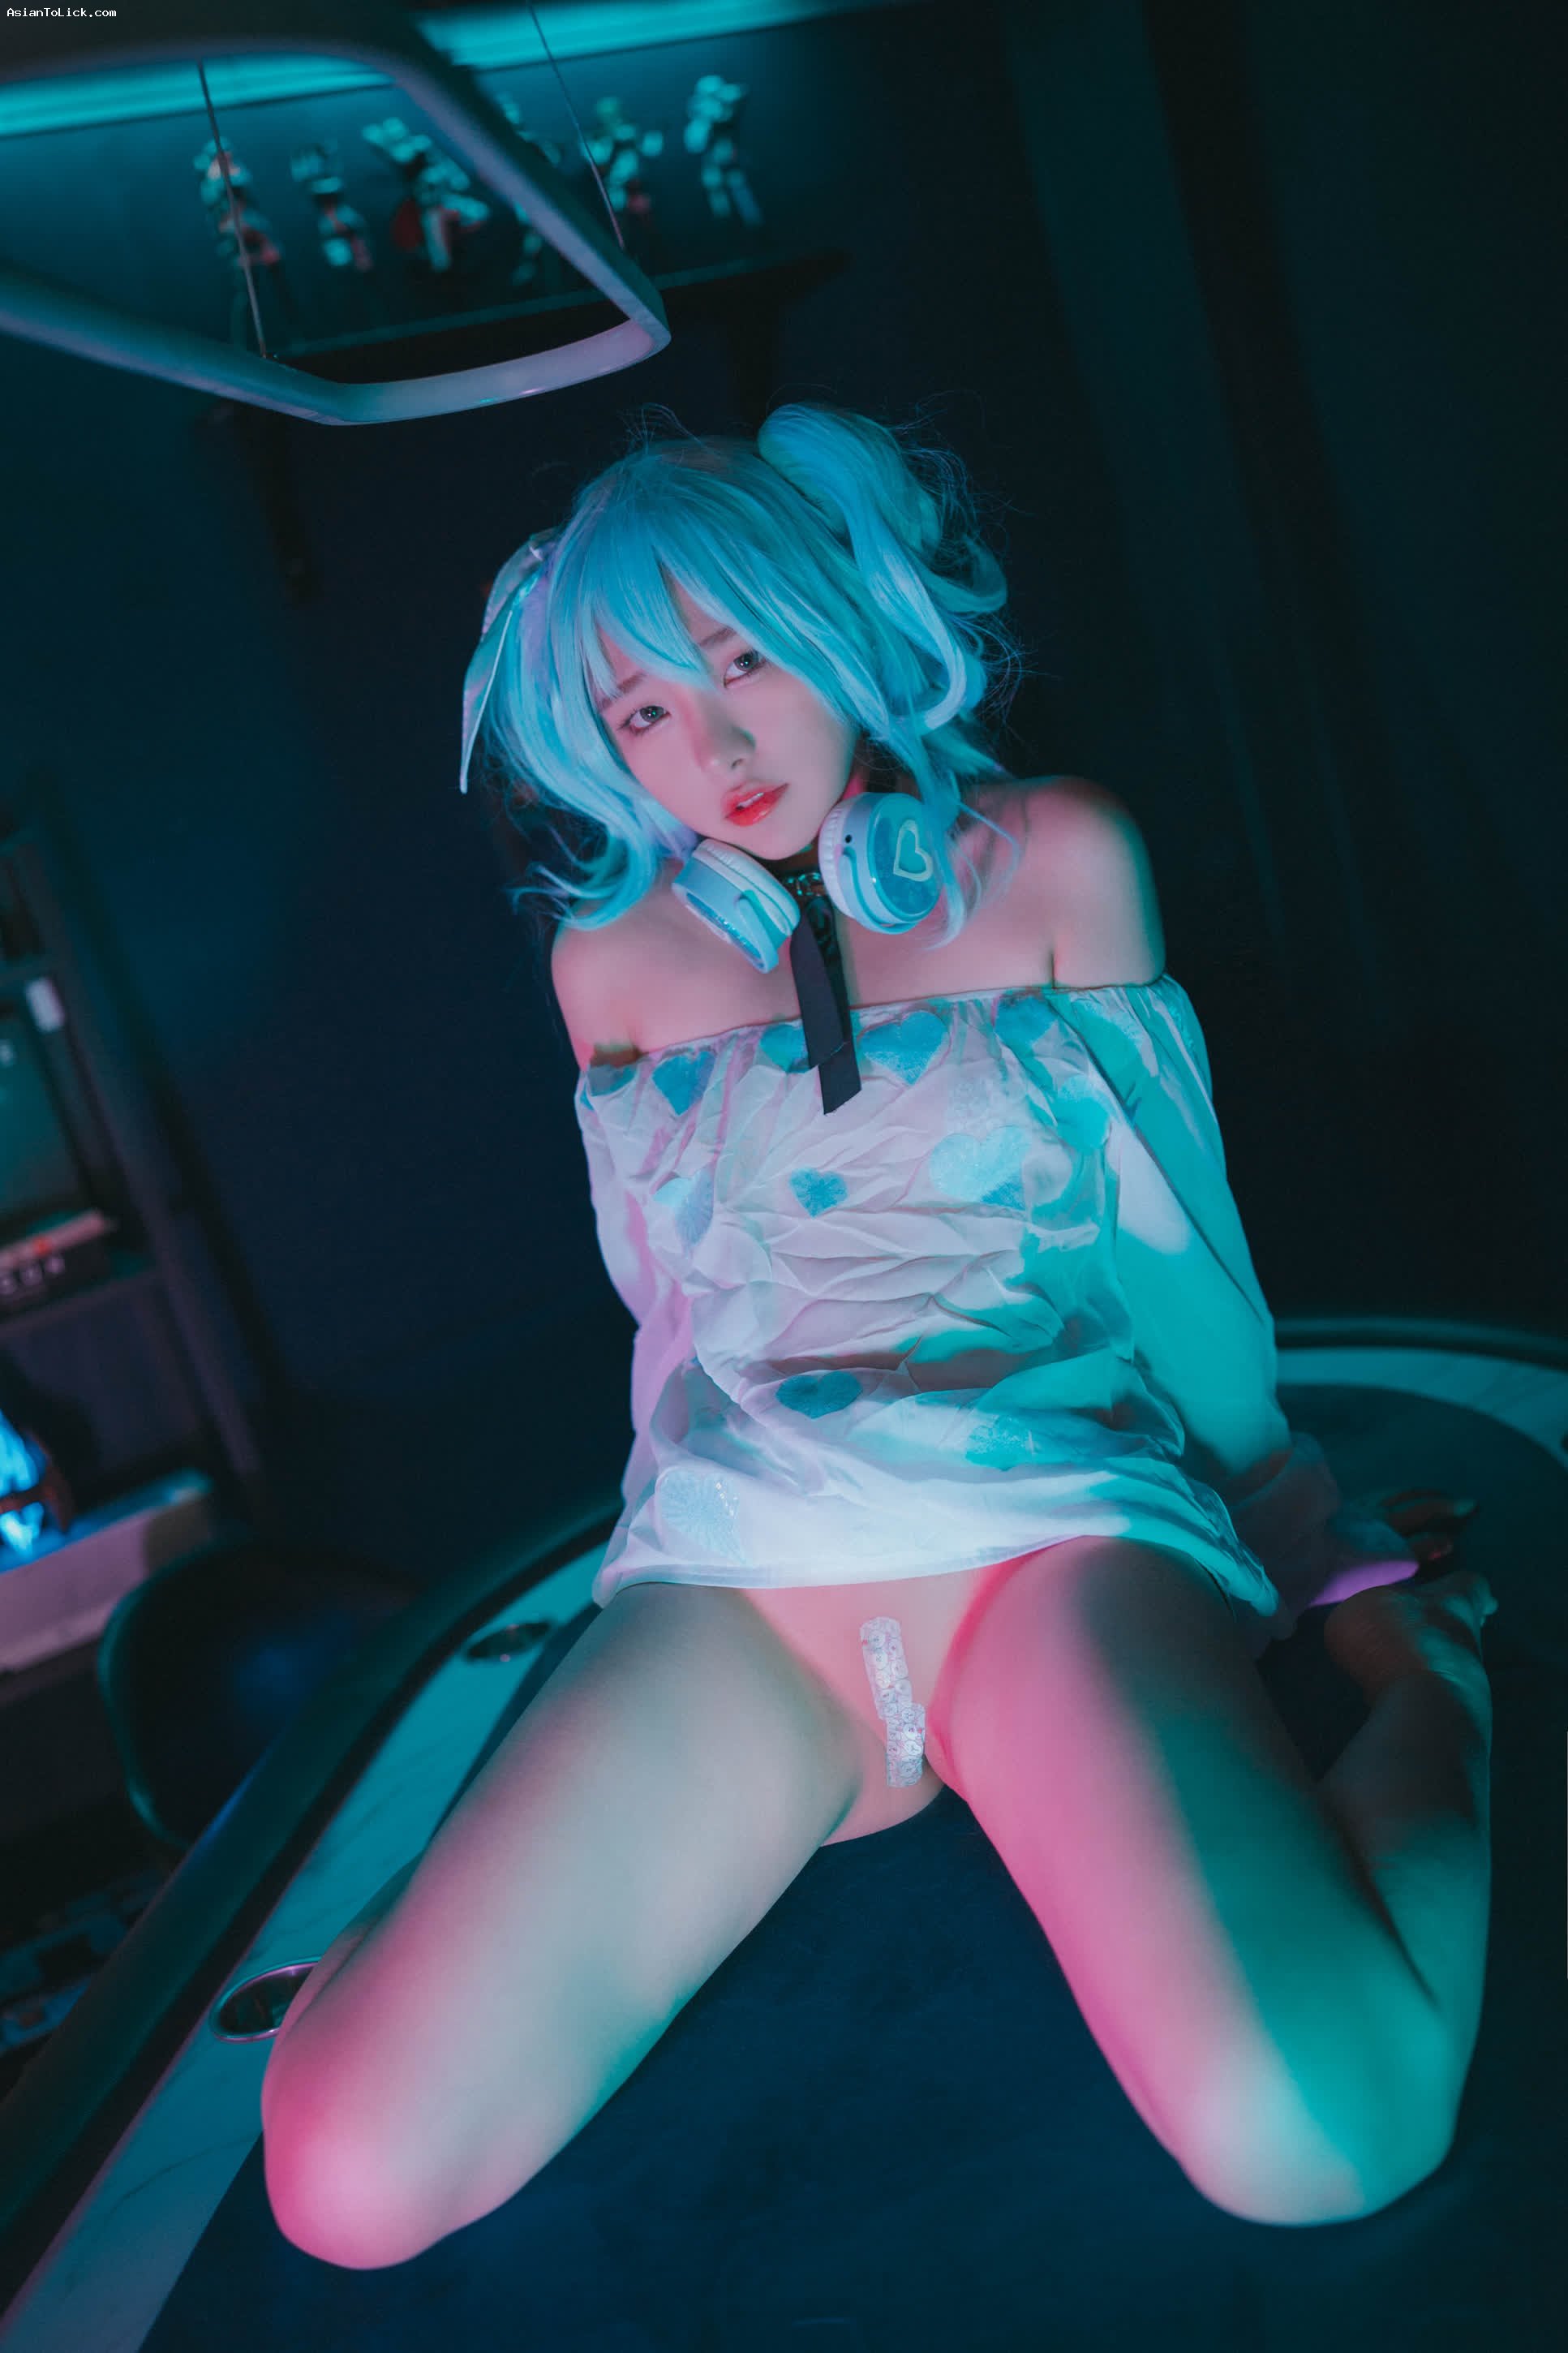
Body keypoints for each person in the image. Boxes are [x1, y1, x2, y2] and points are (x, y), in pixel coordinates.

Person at [260, 403, 1497, 2269]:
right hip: (747, 1579)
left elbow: (1172, 1248)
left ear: (836, 611)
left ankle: (1443, 1693)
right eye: (641, 710)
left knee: (1323, 2136)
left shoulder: (1056, 855)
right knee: (346, 2181)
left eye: (740, 661)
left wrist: (1297, 1536)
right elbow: (676, 1326)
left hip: (1050, 1536)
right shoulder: (606, 966)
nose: (709, 747)